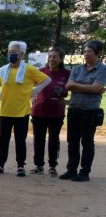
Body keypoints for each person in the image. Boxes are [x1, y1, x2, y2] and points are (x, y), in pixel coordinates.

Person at [0, 41, 50, 177]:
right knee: (3, 140)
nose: (11, 54)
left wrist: (36, 90)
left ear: (22, 54)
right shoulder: (3, 69)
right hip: (5, 111)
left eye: (14, 52)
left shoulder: (29, 69)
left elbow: (47, 80)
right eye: (9, 52)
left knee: (20, 141)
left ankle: (20, 166)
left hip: (22, 112)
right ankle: (0, 165)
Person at [62, 39, 106, 181]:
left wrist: (77, 85)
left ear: (98, 53)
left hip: (90, 111)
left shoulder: (103, 69)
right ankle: (71, 170)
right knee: (72, 141)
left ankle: (84, 172)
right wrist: (90, 88)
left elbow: (96, 88)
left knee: (87, 142)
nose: (86, 54)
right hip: (74, 109)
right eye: (85, 52)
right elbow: (68, 86)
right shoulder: (77, 69)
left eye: (90, 52)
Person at [32, 47, 69, 176]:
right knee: (38, 139)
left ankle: (52, 166)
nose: (51, 59)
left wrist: (69, 102)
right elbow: (30, 86)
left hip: (56, 112)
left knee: (53, 140)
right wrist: (32, 98)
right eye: (50, 56)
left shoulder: (67, 73)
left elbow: (75, 90)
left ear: (61, 59)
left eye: (55, 56)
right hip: (39, 111)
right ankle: (38, 165)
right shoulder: (41, 72)